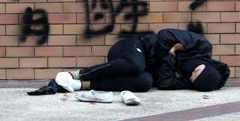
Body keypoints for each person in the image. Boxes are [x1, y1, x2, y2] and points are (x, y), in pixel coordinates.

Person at [51, 29, 230, 102]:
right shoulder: (202, 48)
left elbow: (164, 83)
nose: (190, 73)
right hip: (132, 47)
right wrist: (169, 55)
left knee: (145, 82)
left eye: (192, 78)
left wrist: (171, 53)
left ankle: (81, 85)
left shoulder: (186, 79)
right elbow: (164, 35)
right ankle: (76, 74)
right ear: (205, 65)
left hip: (137, 65)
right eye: (196, 70)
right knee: (137, 66)